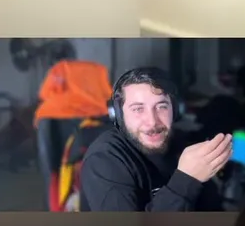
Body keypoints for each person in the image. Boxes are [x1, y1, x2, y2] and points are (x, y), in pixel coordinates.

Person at [80, 67, 231, 212]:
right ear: (119, 115)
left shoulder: (181, 146)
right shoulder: (104, 160)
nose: (152, 122)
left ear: (175, 110)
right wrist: (186, 180)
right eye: (138, 109)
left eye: (161, 107)